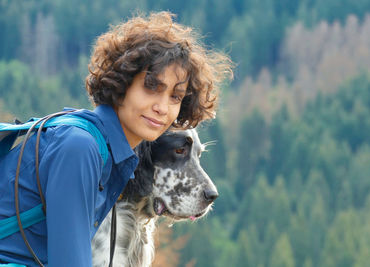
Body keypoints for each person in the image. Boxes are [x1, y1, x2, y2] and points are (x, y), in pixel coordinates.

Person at [0, 11, 233, 266]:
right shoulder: (81, 147)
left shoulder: (105, 152)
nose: (162, 107)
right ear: (121, 84)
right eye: (151, 87)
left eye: (175, 97)